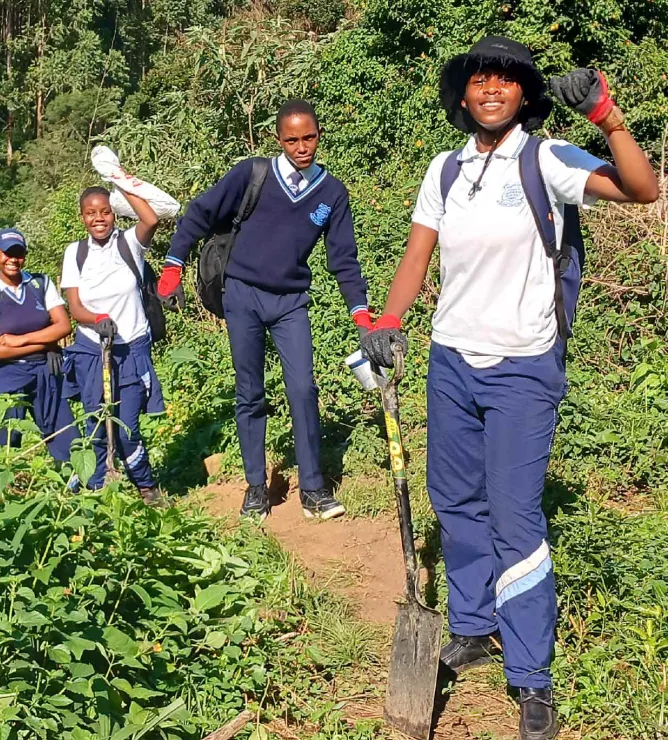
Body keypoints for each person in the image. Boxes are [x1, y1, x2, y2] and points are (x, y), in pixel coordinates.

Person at [360, 36, 658, 740]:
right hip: (451, 360)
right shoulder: (445, 168)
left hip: (524, 364)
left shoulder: (545, 158)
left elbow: (643, 190)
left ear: (522, 92)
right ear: (462, 95)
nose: (491, 90)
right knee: (455, 500)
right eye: (478, 81)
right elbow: (416, 254)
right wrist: (389, 319)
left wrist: (609, 119)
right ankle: (470, 626)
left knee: (516, 518)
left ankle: (531, 676)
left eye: (504, 80)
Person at [156, 99, 371, 520]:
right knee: (250, 391)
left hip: (291, 301)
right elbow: (200, 212)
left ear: (319, 135)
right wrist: (172, 265)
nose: (301, 146)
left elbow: (343, 258)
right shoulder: (252, 173)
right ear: (279, 139)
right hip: (243, 294)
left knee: (304, 389)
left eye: (308, 137)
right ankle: (256, 486)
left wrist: (361, 316)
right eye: (292, 139)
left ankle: (312, 489)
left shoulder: (331, 191)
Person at [60, 186, 164, 503]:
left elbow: (151, 219)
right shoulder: (75, 253)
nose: (99, 218)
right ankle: (100, 489)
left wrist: (120, 181)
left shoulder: (128, 244)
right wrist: (96, 319)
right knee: (95, 424)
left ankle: (147, 487)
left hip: (130, 347)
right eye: (91, 213)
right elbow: (75, 308)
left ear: (114, 213)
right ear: (82, 217)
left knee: (126, 426)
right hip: (93, 349)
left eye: (104, 211)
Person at [0, 228, 80, 473]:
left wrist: (20, 341)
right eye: (7, 253)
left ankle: (79, 491)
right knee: (3, 443)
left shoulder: (41, 284)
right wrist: (47, 343)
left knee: (65, 437)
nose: (13, 259)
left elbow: (64, 326)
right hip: (8, 376)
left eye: (18, 253)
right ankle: (2, 494)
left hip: (45, 370)